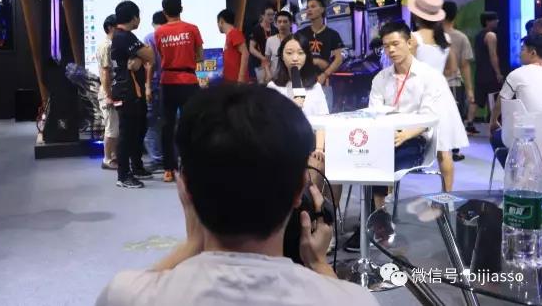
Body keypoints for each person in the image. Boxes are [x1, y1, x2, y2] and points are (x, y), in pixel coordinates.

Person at [96, 85, 378, 306]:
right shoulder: (355, 300)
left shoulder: (125, 295)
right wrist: (318, 263)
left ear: (185, 190)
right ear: (298, 192)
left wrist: (192, 244)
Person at [344, 21, 442, 252]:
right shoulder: (380, 78)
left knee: (381, 162)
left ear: (409, 42)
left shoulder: (429, 76)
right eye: (386, 46)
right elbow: (374, 113)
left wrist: (405, 134)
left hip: (416, 139)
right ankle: (377, 218)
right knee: (359, 156)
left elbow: (430, 117)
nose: (390, 50)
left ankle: (376, 221)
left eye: (395, 44)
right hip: (383, 136)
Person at [409, 0, 468, 193]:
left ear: (416, 15)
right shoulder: (445, 38)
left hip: (417, 91)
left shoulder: (414, 38)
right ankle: (447, 196)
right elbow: (452, 69)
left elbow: (407, 68)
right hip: (442, 92)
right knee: (444, 151)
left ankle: (388, 197)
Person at [155, 0, 204, 183]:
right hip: (189, 81)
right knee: (191, 125)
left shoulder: (159, 32)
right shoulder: (192, 29)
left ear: (164, 11)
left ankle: (169, 169)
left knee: (167, 126)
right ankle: (190, 167)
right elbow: (200, 56)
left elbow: (161, 55)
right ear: (181, 9)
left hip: (167, 81)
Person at [112, 1, 155, 188]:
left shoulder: (124, 36)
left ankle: (136, 167)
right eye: (139, 16)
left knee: (138, 129)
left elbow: (146, 56)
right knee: (127, 133)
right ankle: (123, 176)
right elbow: (151, 56)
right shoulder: (125, 37)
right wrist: (141, 55)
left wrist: (138, 57)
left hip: (132, 91)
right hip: (127, 92)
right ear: (134, 17)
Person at [489, 33, 542, 167]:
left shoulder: (517, 74)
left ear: (533, 53)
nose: (519, 54)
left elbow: (501, 103)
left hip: (528, 136)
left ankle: (514, 173)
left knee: (496, 137)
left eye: (522, 49)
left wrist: (493, 121)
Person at [296, 0, 344, 112]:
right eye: (307, 8)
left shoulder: (332, 34)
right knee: (300, 114)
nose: (309, 10)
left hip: (324, 82)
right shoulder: (300, 34)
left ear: (322, 9)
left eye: (313, 7)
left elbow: (339, 59)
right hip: (302, 82)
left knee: (324, 116)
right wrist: (314, 61)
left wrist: (324, 74)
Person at [442, 1, 479, 146]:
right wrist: (470, 90)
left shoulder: (430, 37)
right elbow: (465, 66)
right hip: (454, 84)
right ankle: (454, 149)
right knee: (455, 118)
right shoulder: (461, 37)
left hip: (433, 85)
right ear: (455, 15)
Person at [143, 11, 166, 171]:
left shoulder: (150, 37)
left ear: (153, 23)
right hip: (170, 83)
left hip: (155, 84)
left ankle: (157, 159)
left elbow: (150, 63)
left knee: (151, 123)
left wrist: (147, 86)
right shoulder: (171, 36)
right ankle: (170, 157)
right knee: (168, 122)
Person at [97, 15, 119, 170]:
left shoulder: (112, 45)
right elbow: (105, 73)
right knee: (111, 128)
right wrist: (108, 95)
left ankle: (114, 156)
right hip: (108, 92)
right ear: (110, 27)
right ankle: (107, 159)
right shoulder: (106, 46)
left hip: (114, 91)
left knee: (115, 127)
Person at [474, 11, 503, 116]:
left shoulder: (478, 35)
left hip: (480, 71)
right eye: (495, 19)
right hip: (489, 72)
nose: (497, 21)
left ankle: (469, 121)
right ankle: (493, 119)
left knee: (478, 99)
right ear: (487, 22)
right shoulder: (491, 35)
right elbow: (493, 55)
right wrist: (498, 73)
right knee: (493, 96)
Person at [248, 2, 277, 84]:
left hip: (272, 63)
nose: (271, 17)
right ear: (262, 16)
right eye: (268, 15)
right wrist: (263, 58)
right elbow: (251, 48)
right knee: (260, 86)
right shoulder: (256, 29)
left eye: (273, 14)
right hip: (258, 63)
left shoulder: (275, 29)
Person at [217, 8, 249, 83]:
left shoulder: (234, 33)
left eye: (217, 22)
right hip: (230, 81)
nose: (217, 26)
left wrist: (241, 78)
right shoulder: (229, 36)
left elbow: (245, 54)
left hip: (237, 82)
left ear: (221, 21)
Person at [264, 10, 293, 81]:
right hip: (274, 78)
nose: (282, 24)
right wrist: (268, 73)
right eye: (279, 22)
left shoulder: (297, 40)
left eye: (285, 22)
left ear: (291, 24)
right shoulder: (270, 40)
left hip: (292, 79)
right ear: (276, 24)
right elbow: (267, 60)